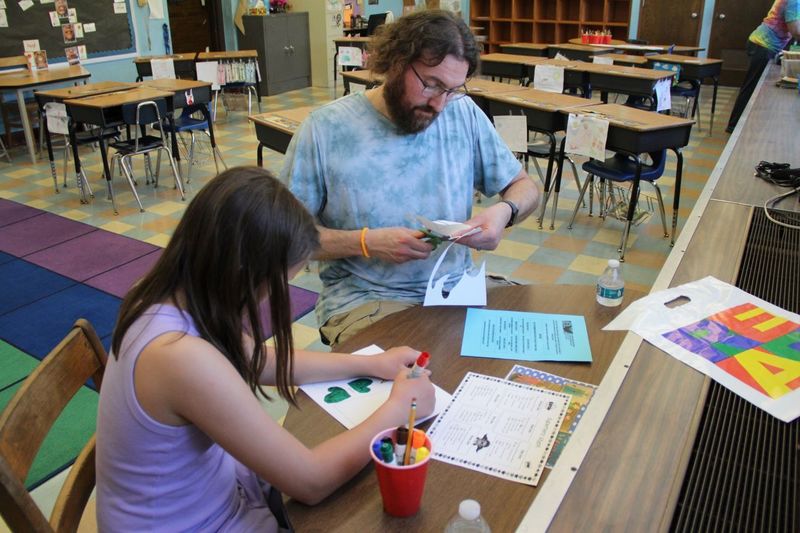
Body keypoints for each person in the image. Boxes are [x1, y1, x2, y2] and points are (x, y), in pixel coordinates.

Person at [95, 167, 435, 531]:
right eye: (279, 283)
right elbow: (311, 482)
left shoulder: (168, 295)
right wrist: (399, 410)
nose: (274, 296)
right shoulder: (179, 357)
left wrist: (371, 364)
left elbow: (258, 360)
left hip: (215, 496)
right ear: (244, 273)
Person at [281, 10, 539, 347]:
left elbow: (525, 187)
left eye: (451, 90)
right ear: (396, 61)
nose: (439, 104)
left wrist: (505, 212)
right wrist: (366, 242)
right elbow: (282, 238)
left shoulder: (463, 113)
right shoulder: (325, 130)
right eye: (431, 84)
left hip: (456, 288)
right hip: (366, 298)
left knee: (533, 345)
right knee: (416, 379)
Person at [726, 0, 800, 133]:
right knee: (752, 87)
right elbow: (795, 29)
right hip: (764, 44)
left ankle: (736, 125)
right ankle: (734, 126)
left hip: (765, 44)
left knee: (752, 87)